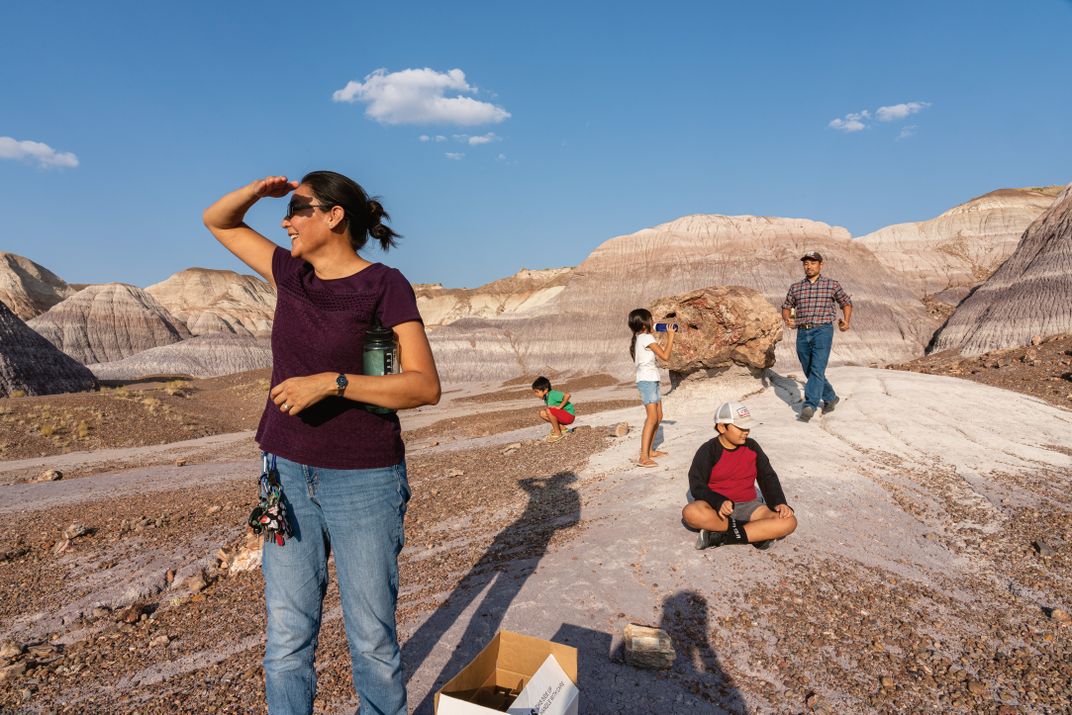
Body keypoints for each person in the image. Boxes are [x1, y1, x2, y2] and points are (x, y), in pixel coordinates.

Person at [203, 172, 441, 715]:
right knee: (287, 641)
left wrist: (332, 382)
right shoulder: (291, 275)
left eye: (297, 209)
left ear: (334, 216)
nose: (285, 221)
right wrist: (257, 194)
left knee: (373, 641)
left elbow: (426, 385)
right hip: (285, 475)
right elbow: (218, 220)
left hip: (365, 479)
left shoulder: (384, 285)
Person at [682, 401, 796, 549]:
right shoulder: (708, 450)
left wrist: (779, 502)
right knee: (691, 513)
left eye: (747, 427)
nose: (746, 431)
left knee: (789, 521)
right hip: (718, 510)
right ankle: (756, 533)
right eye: (740, 427)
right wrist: (718, 502)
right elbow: (697, 485)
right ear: (722, 427)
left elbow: (767, 476)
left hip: (751, 507)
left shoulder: (752, 447)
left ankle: (722, 536)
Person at [781, 251, 852, 422]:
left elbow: (846, 303)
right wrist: (787, 318)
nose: (809, 266)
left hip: (823, 331)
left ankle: (810, 405)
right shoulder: (796, 287)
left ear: (821, 265)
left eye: (813, 263)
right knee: (808, 369)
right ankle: (830, 397)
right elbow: (786, 306)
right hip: (802, 331)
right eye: (806, 263)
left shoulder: (832, 285)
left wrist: (846, 322)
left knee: (817, 368)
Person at [628, 308, 674, 467]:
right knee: (652, 418)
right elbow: (665, 356)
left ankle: (651, 450)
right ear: (644, 325)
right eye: (651, 319)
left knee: (659, 415)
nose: (653, 322)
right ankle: (643, 456)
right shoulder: (645, 337)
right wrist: (671, 337)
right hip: (647, 381)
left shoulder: (642, 338)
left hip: (652, 380)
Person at [531, 375, 575, 443]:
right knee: (542, 413)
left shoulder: (553, 394)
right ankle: (562, 428)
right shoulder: (546, 397)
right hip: (563, 416)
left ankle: (557, 433)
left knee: (549, 411)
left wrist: (560, 407)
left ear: (545, 390)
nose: (535, 394)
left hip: (569, 416)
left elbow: (567, 395)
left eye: (537, 392)